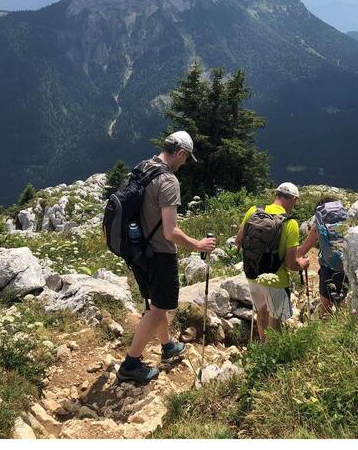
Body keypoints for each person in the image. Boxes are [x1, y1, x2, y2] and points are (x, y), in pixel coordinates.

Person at [117, 130, 217, 384]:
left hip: (138, 249)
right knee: (157, 308)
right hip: (159, 253)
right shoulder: (169, 181)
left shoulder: (144, 167)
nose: (184, 164)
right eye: (185, 159)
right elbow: (170, 231)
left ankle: (168, 345)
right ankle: (130, 363)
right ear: (180, 153)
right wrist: (199, 245)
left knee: (155, 302)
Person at [235, 182, 309, 341]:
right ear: (293, 200)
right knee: (275, 322)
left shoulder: (253, 211)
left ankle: (263, 348)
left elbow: (238, 240)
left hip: (252, 274)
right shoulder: (290, 223)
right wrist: (302, 264)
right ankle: (272, 357)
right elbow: (290, 264)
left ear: (276, 195)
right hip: (276, 280)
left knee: (261, 314)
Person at [296, 195, 349, 315]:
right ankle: (345, 327)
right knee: (344, 307)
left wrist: (287, 253)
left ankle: (326, 328)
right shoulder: (345, 221)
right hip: (347, 268)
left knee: (325, 309)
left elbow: (302, 250)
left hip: (328, 270)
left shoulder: (319, 225)